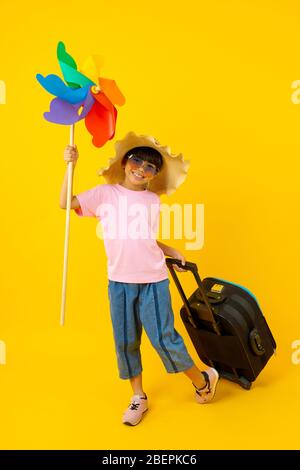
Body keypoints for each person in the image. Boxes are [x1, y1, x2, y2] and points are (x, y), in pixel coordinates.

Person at [60, 131, 219, 426]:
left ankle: (204, 380)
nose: (141, 169)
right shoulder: (104, 194)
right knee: (125, 341)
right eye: (137, 161)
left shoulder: (152, 200)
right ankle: (138, 397)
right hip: (119, 282)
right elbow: (65, 202)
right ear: (124, 161)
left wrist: (167, 248)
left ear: (154, 175)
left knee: (163, 338)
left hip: (153, 280)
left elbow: (144, 239)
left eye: (150, 167)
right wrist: (72, 165)